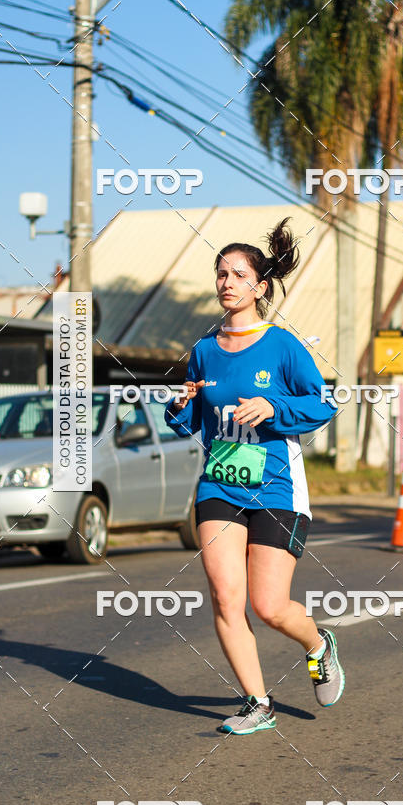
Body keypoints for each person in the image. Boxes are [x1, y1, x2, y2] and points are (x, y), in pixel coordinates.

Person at [164, 217, 343, 735]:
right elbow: (194, 419)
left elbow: (321, 403)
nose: (226, 282)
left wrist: (272, 404)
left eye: (238, 274)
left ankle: (317, 644)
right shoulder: (203, 349)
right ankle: (257, 702)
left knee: (268, 606)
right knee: (225, 596)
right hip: (219, 483)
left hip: (276, 486)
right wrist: (181, 406)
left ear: (260, 287)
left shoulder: (282, 345)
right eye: (220, 273)